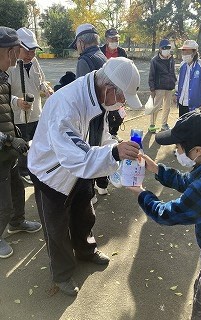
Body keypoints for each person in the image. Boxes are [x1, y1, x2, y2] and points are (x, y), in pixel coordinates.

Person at [28, 57, 142, 296]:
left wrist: (117, 145)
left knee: (84, 213)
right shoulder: (66, 104)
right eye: (122, 98)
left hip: (81, 167)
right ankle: (62, 274)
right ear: (110, 89)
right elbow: (75, 158)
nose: (123, 104)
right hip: (51, 172)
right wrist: (114, 152)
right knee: (56, 227)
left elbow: (99, 136)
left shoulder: (98, 96)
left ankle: (86, 250)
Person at [129, 110, 201, 319]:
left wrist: (141, 193)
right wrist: (157, 170)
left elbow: (167, 214)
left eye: (178, 146)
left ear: (197, 150)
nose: (176, 150)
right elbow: (189, 182)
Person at [0, 26, 42, 259]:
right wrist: (9, 139)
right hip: (3, 149)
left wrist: (15, 132)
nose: (15, 58)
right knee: (3, 201)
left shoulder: (3, 78)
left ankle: (17, 222)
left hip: (8, 150)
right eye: (12, 53)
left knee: (17, 189)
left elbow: (6, 105)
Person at [8, 27, 53, 185]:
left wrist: (47, 89)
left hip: (36, 112)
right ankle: (23, 170)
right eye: (27, 50)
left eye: (33, 50)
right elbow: (4, 92)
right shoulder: (8, 64)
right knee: (22, 144)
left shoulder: (34, 61)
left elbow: (41, 81)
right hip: (18, 116)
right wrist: (18, 101)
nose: (31, 54)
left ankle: (35, 167)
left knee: (37, 142)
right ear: (17, 47)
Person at [70, 23, 109, 198]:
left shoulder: (85, 60)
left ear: (81, 43)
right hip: (103, 110)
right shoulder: (102, 56)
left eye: (77, 45)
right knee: (100, 145)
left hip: (90, 114)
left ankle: (89, 193)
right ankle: (102, 184)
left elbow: (81, 92)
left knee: (88, 150)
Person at [100, 27, 127, 142]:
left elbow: (126, 68)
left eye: (116, 39)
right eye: (112, 39)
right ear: (106, 40)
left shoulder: (122, 52)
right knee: (104, 111)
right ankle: (104, 134)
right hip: (103, 86)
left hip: (119, 86)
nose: (115, 41)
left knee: (120, 113)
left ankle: (114, 132)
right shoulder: (100, 51)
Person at [175, 39, 201, 117]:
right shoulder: (182, 65)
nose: (185, 54)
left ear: (194, 52)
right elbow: (179, 82)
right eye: (183, 52)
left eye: (188, 52)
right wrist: (176, 94)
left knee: (194, 127)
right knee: (183, 126)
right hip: (182, 102)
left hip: (196, 105)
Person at [148, 39, 177, 133]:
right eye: (164, 48)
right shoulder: (155, 60)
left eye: (168, 47)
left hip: (169, 87)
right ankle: (152, 124)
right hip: (159, 87)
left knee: (167, 107)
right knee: (156, 106)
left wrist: (174, 82)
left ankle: (164, 124)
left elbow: (173, 72)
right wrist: (152, 88)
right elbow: (151, 75)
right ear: (160, 49)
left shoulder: (172, 59)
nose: (166, 49)